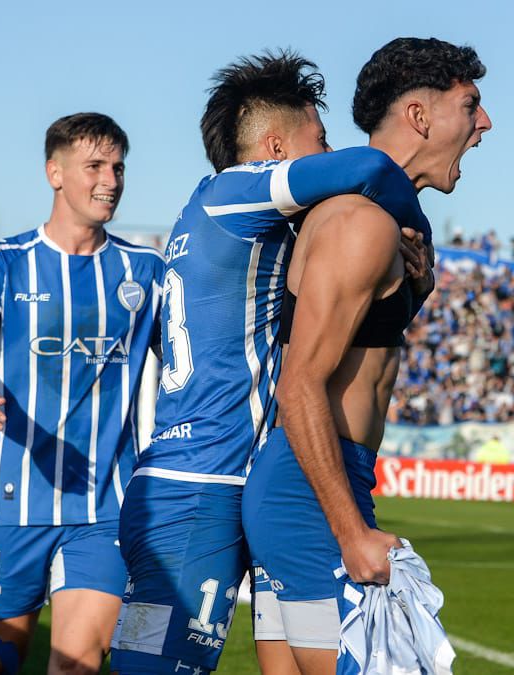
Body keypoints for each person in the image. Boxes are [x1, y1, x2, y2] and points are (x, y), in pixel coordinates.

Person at [115, 51, 427, 675]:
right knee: (151, 667)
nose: (330, 151)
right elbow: (371, 166)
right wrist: (412, 227)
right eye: (319, 139)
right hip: (203, 487)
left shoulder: (216, 220)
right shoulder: (235, 190)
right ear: (276, 147)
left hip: (204, 483)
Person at [242, 37, 491, 673]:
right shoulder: (360, 222)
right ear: (419, 116)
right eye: (471, 105)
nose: (484, 124)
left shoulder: (381, 220)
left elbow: (354, 356)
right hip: (312, 494)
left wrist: (415, 294)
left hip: (313, 485)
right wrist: (350, 532)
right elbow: (299, 386)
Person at [0, 112, 164, 675]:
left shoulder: (147, 270)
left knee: (78, 663)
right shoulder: (4, 261)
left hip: (107, 505)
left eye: (118, 167)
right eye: (94, 166)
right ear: (54, 173)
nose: (110, 180)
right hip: (14, 500)